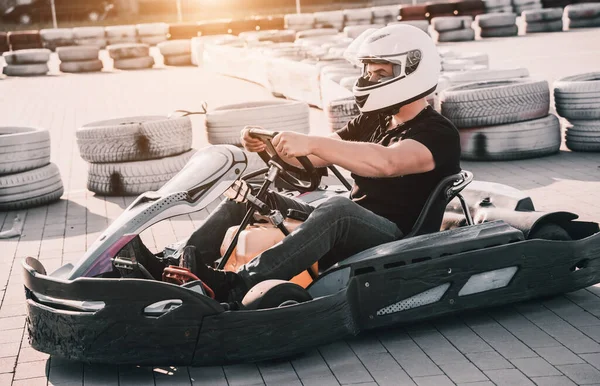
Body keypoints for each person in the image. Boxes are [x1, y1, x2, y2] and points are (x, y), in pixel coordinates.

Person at [187, 24, 461, 303]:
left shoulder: (438, 133)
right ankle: (184, 264)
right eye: (368, 71)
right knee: (250, 192)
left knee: (338, 209)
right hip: (353, 219)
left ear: (413, 72)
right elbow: (317, 155)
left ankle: (237, 283)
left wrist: (313, 143)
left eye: (380, 73)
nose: (370, 78)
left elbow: (388, 162)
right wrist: (269, 145)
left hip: (397, 234)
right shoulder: (375, 119)